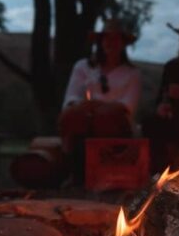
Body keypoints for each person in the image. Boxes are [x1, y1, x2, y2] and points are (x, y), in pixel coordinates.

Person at [58, 18, 141, 180]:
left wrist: (102, 107)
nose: (111, 43)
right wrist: (84, 106)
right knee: (71, 116)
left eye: (116, 38)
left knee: (107, 118)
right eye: (107, 38)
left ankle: (106, 171)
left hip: (116, 125)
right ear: (100, 41)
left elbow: (128, 105)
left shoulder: (132, 74)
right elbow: (71, 97)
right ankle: (72, 171)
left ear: (123, 43)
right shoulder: (83, 67)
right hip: (84, 118)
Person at [142, 16, 179, 172]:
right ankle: (159, 173)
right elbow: (161, 97)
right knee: (151, 123)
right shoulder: (173, 67)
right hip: (174, 119)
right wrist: (161, 107)